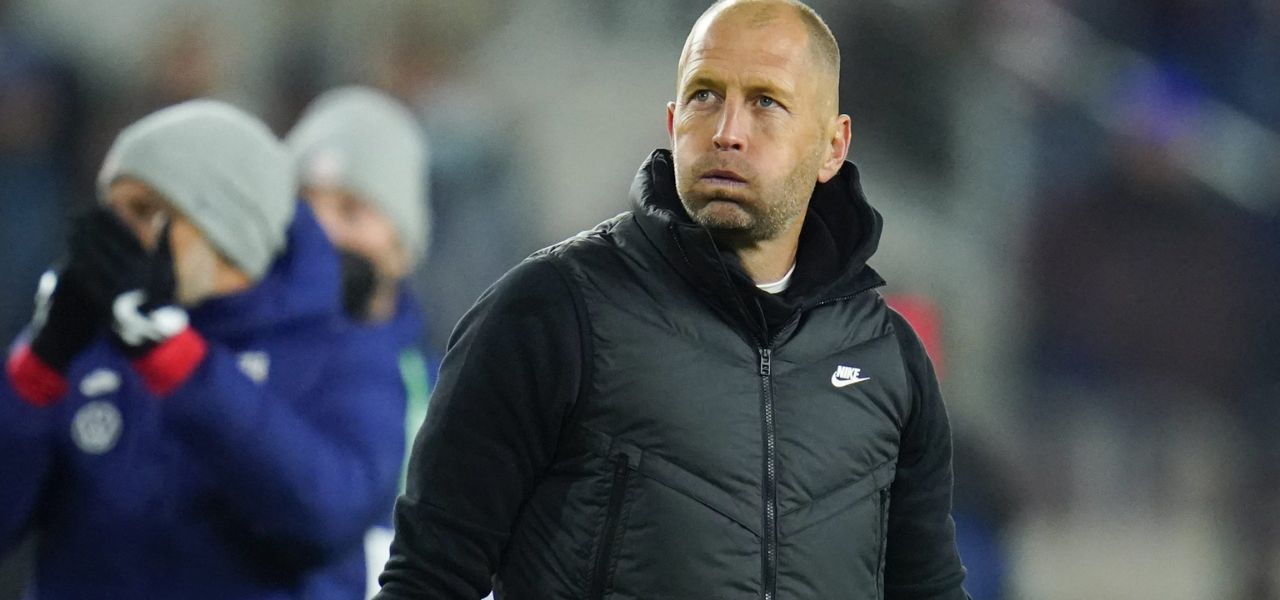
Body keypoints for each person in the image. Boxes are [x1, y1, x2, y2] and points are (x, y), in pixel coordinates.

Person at [376, 0, 970, 598]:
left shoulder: (886, 356)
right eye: (704, 96)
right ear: (672, 121)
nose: (727, 132)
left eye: (766, 102)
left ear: (832, 147)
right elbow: (429, 578)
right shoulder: (552, 310)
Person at [0, 99, 407, 599]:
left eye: (146, 212)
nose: (115, 238)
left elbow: (327, 515)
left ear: (224, 227)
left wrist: (176, 358)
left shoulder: (345, 349)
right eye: (112, 212)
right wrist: (39, 367)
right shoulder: (83, 339)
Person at [286, 86, 434, 599]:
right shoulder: (236, 367)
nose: (322, 233)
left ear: (401, 248)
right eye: (304, 210)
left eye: (350, 211)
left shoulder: (449, 399)